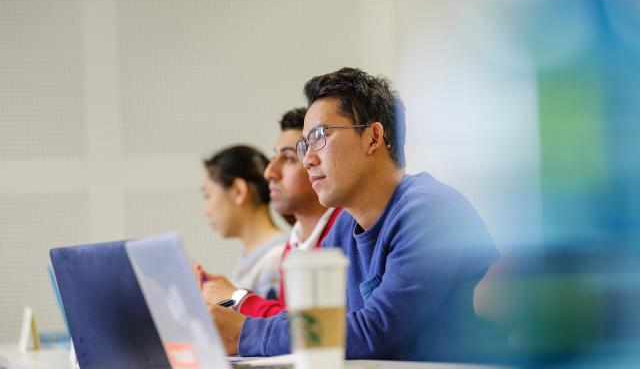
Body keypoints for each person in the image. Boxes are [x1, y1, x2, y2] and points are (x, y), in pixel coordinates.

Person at [207, 68, 503, 362]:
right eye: (304, 145)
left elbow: (379, 332)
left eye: (320, 136)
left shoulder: (429, 211)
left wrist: (244, 333)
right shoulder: (343, 227)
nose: (308, 159)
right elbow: (317, 325)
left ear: (373, 137)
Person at [197, 108, 342, 316]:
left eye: (289, 158)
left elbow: (300, 325)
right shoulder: (294, 244)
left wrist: (235, 297)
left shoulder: (343, 235)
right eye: (275, 157)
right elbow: (287, 323)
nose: (269, 172)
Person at [198, 145, 288, 299]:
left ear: (239, 191)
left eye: (208, 195)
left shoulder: (276, 259)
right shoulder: (255, 258)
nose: (206, 211)